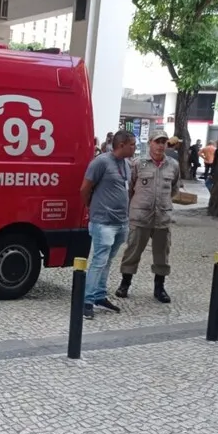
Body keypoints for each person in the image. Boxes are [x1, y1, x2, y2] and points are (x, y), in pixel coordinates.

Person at [114, 130, 180, 303]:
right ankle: (125, 284)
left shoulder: (173, 165)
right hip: (140, 216)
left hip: (162, 218)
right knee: (132, 251)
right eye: (157, 141)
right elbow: (129, 189)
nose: (160, 145)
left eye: (163, 142)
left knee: (162, 255)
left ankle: (159, 288)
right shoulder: (137, 164)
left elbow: (174, 188)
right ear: (150, 143)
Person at [79, 129, 137, 319]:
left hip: (121, 222)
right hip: (103, 221)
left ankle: (99, 295)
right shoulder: (101, 162)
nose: (135, 148)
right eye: (132, 145)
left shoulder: (127, 164)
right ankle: (86, 300)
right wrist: (90, 207)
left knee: (108, 260)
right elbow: (85, 188)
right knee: (99, 260)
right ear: (121, 145)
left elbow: (125, 189)